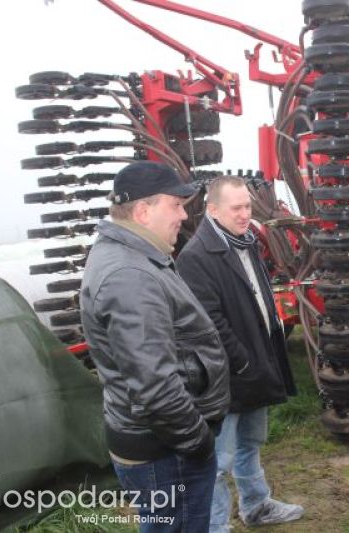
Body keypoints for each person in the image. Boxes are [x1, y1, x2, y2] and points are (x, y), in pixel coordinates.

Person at [80, 161, 230, 532]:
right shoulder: (129, 275)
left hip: (162, 444)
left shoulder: (138, 258)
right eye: (175, 205)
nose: (183, 214)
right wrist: (197, 441)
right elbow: (155, 387)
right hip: (166, 451)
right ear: (143, 211)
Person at [176, 176, 303, 532]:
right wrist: (244, 360)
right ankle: (216, 526)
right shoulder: (196, 257)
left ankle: (256, 505)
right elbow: (208, 322)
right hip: (227, 376)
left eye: (247, 205)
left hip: (256, 366)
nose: (246, 213)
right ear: (212, 210)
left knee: (250, 443)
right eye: (237, 208)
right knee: (217, 460)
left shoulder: (245, 243)